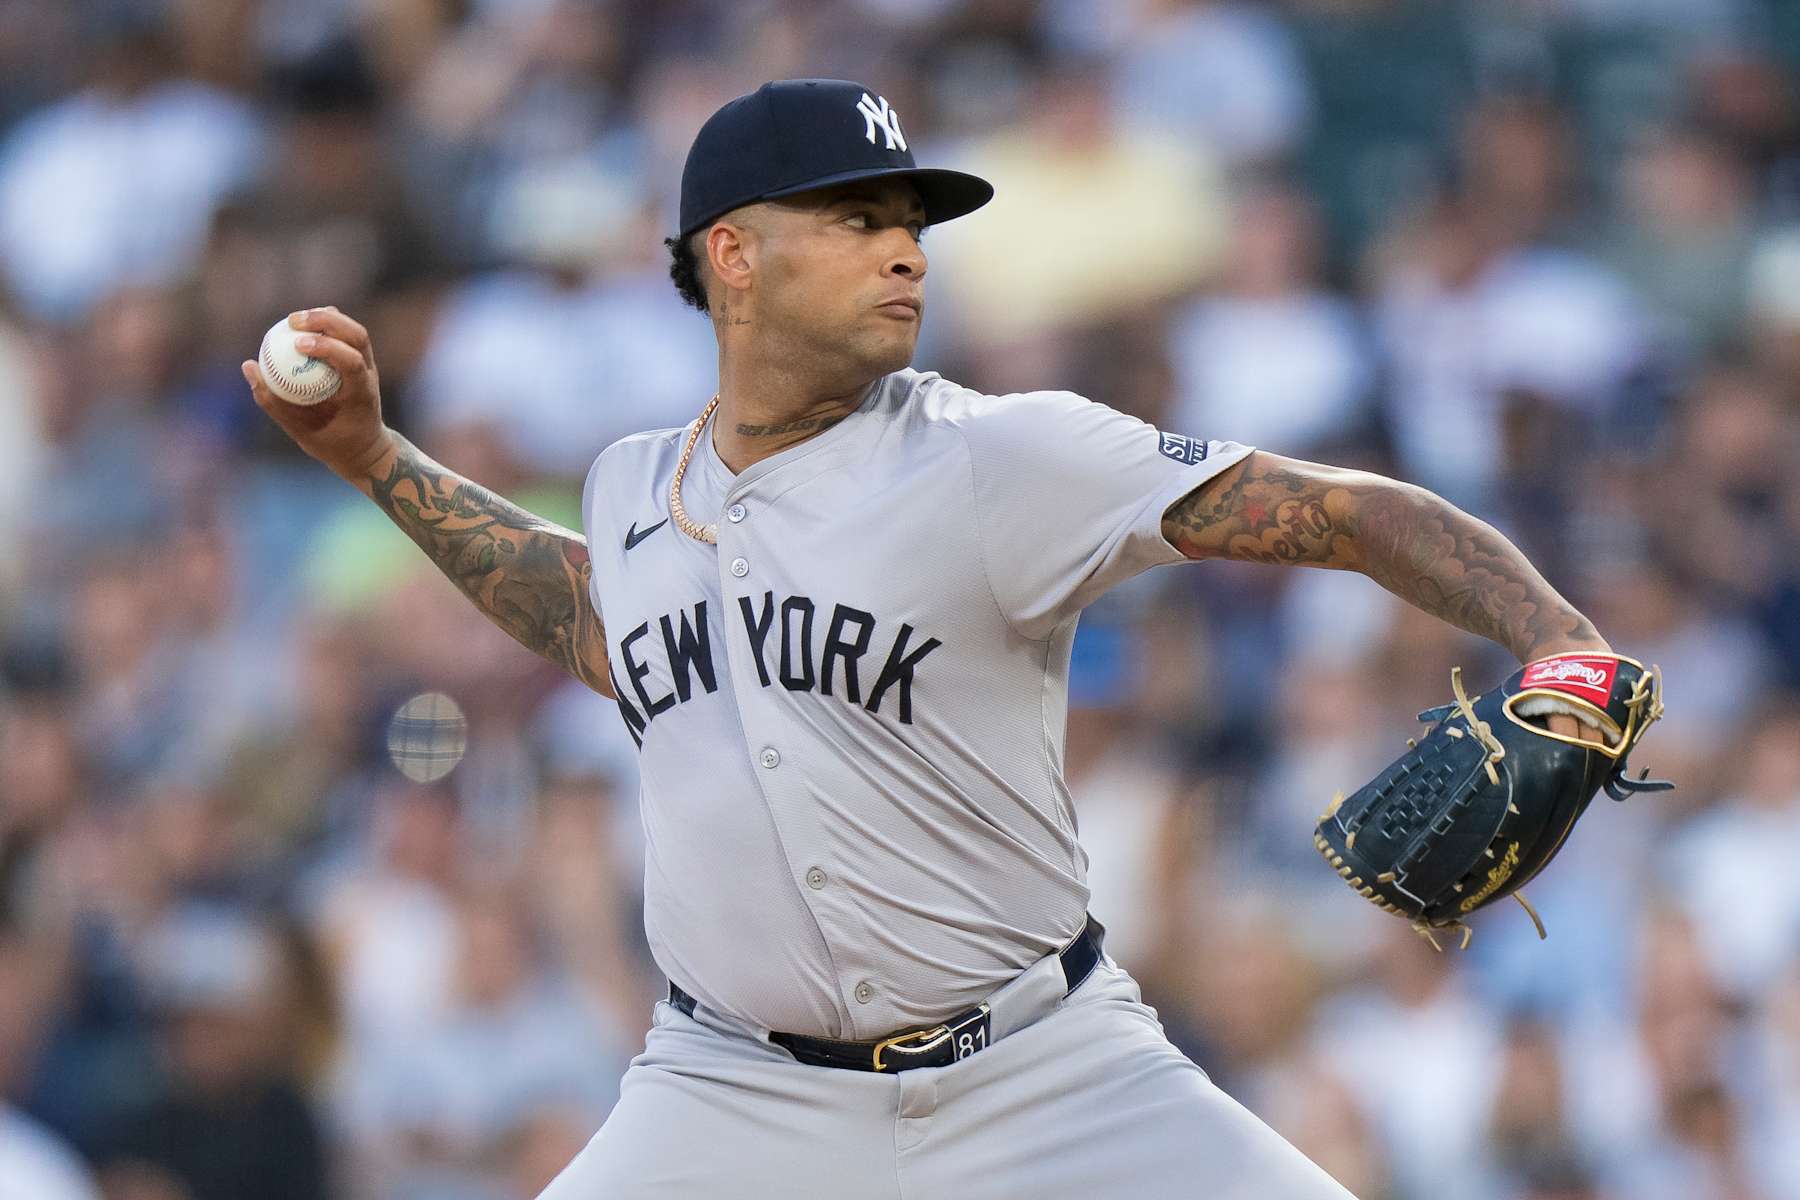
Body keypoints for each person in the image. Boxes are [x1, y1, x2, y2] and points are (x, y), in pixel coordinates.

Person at [242, 77, 1609, 1200]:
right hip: (729, 1096)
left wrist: (1561, 641)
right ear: (733, 253)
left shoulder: (1003, 456)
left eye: (910, 219)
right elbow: (603, 617)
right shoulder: (629, 487)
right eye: (853, 218)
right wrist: (372, 456)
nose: (904, 249)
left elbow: (1339, 512)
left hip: (1049, 1074)